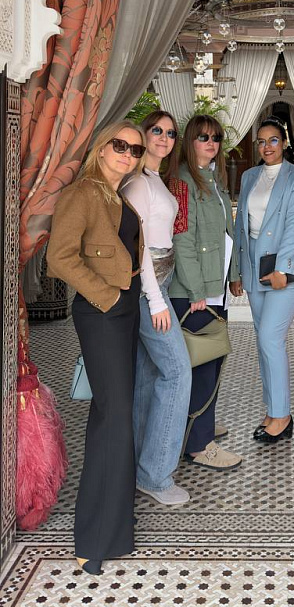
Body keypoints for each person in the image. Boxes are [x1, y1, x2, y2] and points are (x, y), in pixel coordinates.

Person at [47, 120, 147, 575]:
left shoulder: (116, 196)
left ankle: (116, 530)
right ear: (102, 147)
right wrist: (106, 297)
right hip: (102, 311)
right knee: (114, 418)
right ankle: (92, 538)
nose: (128, 154)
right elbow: (59, 257)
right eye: (120, 145)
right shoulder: (83, 193)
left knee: (117, 417)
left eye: (135, 150)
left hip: (124, 309)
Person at [121, 110, 192, 506]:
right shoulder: (137, 183)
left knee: (148, 377)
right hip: (149, 290)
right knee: (178, 373)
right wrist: (155, 299)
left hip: (159, 284)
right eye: (157, 131)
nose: (164, 138)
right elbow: (140, 247)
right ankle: (155, 475)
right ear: (143, 134)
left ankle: (136, 468)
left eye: (170, 133)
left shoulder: (154, 178)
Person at [169, 115, 243, 471]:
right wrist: (197, 289)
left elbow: (226, 235)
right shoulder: (183, 181)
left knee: (212, 360)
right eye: (203, 137)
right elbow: (182, 241)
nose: (211, 143)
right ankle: (200, 445)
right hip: (195, 291)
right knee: (201, 364)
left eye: (215, 138)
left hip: (215, 287)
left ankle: (202, 424)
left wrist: (234, 276)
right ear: (190, 141)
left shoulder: (214, 178)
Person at [235, 116, 294, 444]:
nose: (267, 146)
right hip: (254, 265)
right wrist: (238, 271)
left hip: (286, 267)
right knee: (262, 340)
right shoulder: (249, 176)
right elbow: (241, 225)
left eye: (273, 140)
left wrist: (282, 268)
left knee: (270, 337)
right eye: (261, 141)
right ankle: (272, 410)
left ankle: (282, 415)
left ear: (284, 143)